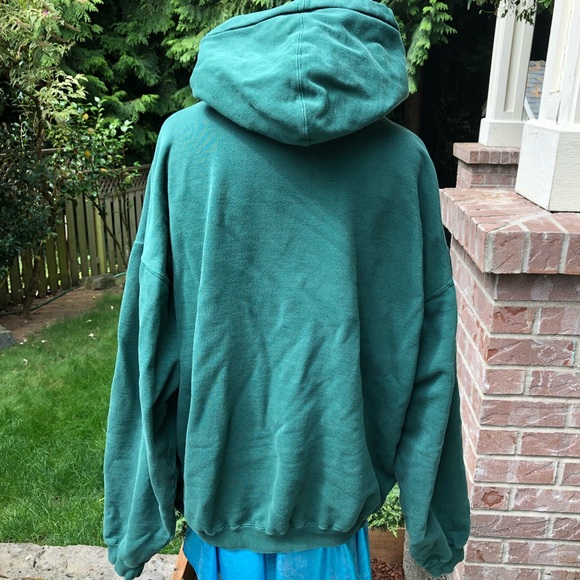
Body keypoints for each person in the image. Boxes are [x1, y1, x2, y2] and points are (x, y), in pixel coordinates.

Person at [103, 0, 471, 578]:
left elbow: (149, 336)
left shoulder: (185, 144)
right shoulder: (404, 160)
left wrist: (134, 524)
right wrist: (436, 525)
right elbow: (430, 348)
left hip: (220, 505)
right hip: (338, 505)